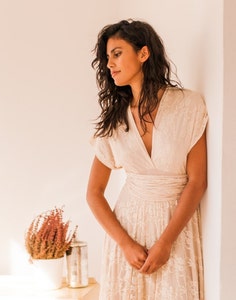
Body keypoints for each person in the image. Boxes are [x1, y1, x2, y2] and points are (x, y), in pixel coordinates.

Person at [86, 19, 208, 300]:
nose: (109, 64)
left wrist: (165, 243)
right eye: (107, 57)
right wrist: (125, 244)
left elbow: (197, 182)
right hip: (127, 234)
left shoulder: (188, 105)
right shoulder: (115, 120)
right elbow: (93, 193)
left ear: (143, 53)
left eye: (117, 53)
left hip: (175, 231)